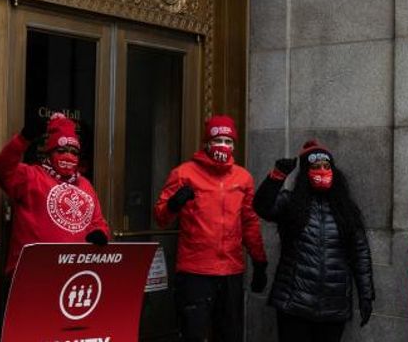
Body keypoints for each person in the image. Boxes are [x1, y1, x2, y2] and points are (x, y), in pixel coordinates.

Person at [154, 115, 267, 342]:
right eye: (219, 140)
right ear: (207, 143)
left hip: (231, 271)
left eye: (229, 141)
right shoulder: (184, 173)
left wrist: (259, 261)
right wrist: (174, 203)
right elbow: (160, 217)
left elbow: (249, 222)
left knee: (230, 334)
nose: (224, 146)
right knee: (193, 334)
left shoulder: (243, 177)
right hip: (195, 271)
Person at [253, 140, 374, 342]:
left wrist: (366, 295)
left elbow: (360, 254)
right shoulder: (289, 202)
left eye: (327, 167)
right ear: (305, 173)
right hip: (293, 304)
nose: (322, 171)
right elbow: (262, 207)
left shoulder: (346, 209)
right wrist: (276, 177)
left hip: (333, 307)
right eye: (316, 167)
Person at [0, 112, 110, 276]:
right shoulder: (30, 176)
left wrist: (101, 233)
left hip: (75, 273)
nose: (68, 156)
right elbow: (1, 170)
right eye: (61, 150)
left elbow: (98, 221)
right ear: (49, 153)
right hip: (33, 273)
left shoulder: (85, 185)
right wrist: (22, 140)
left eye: (74, 152)